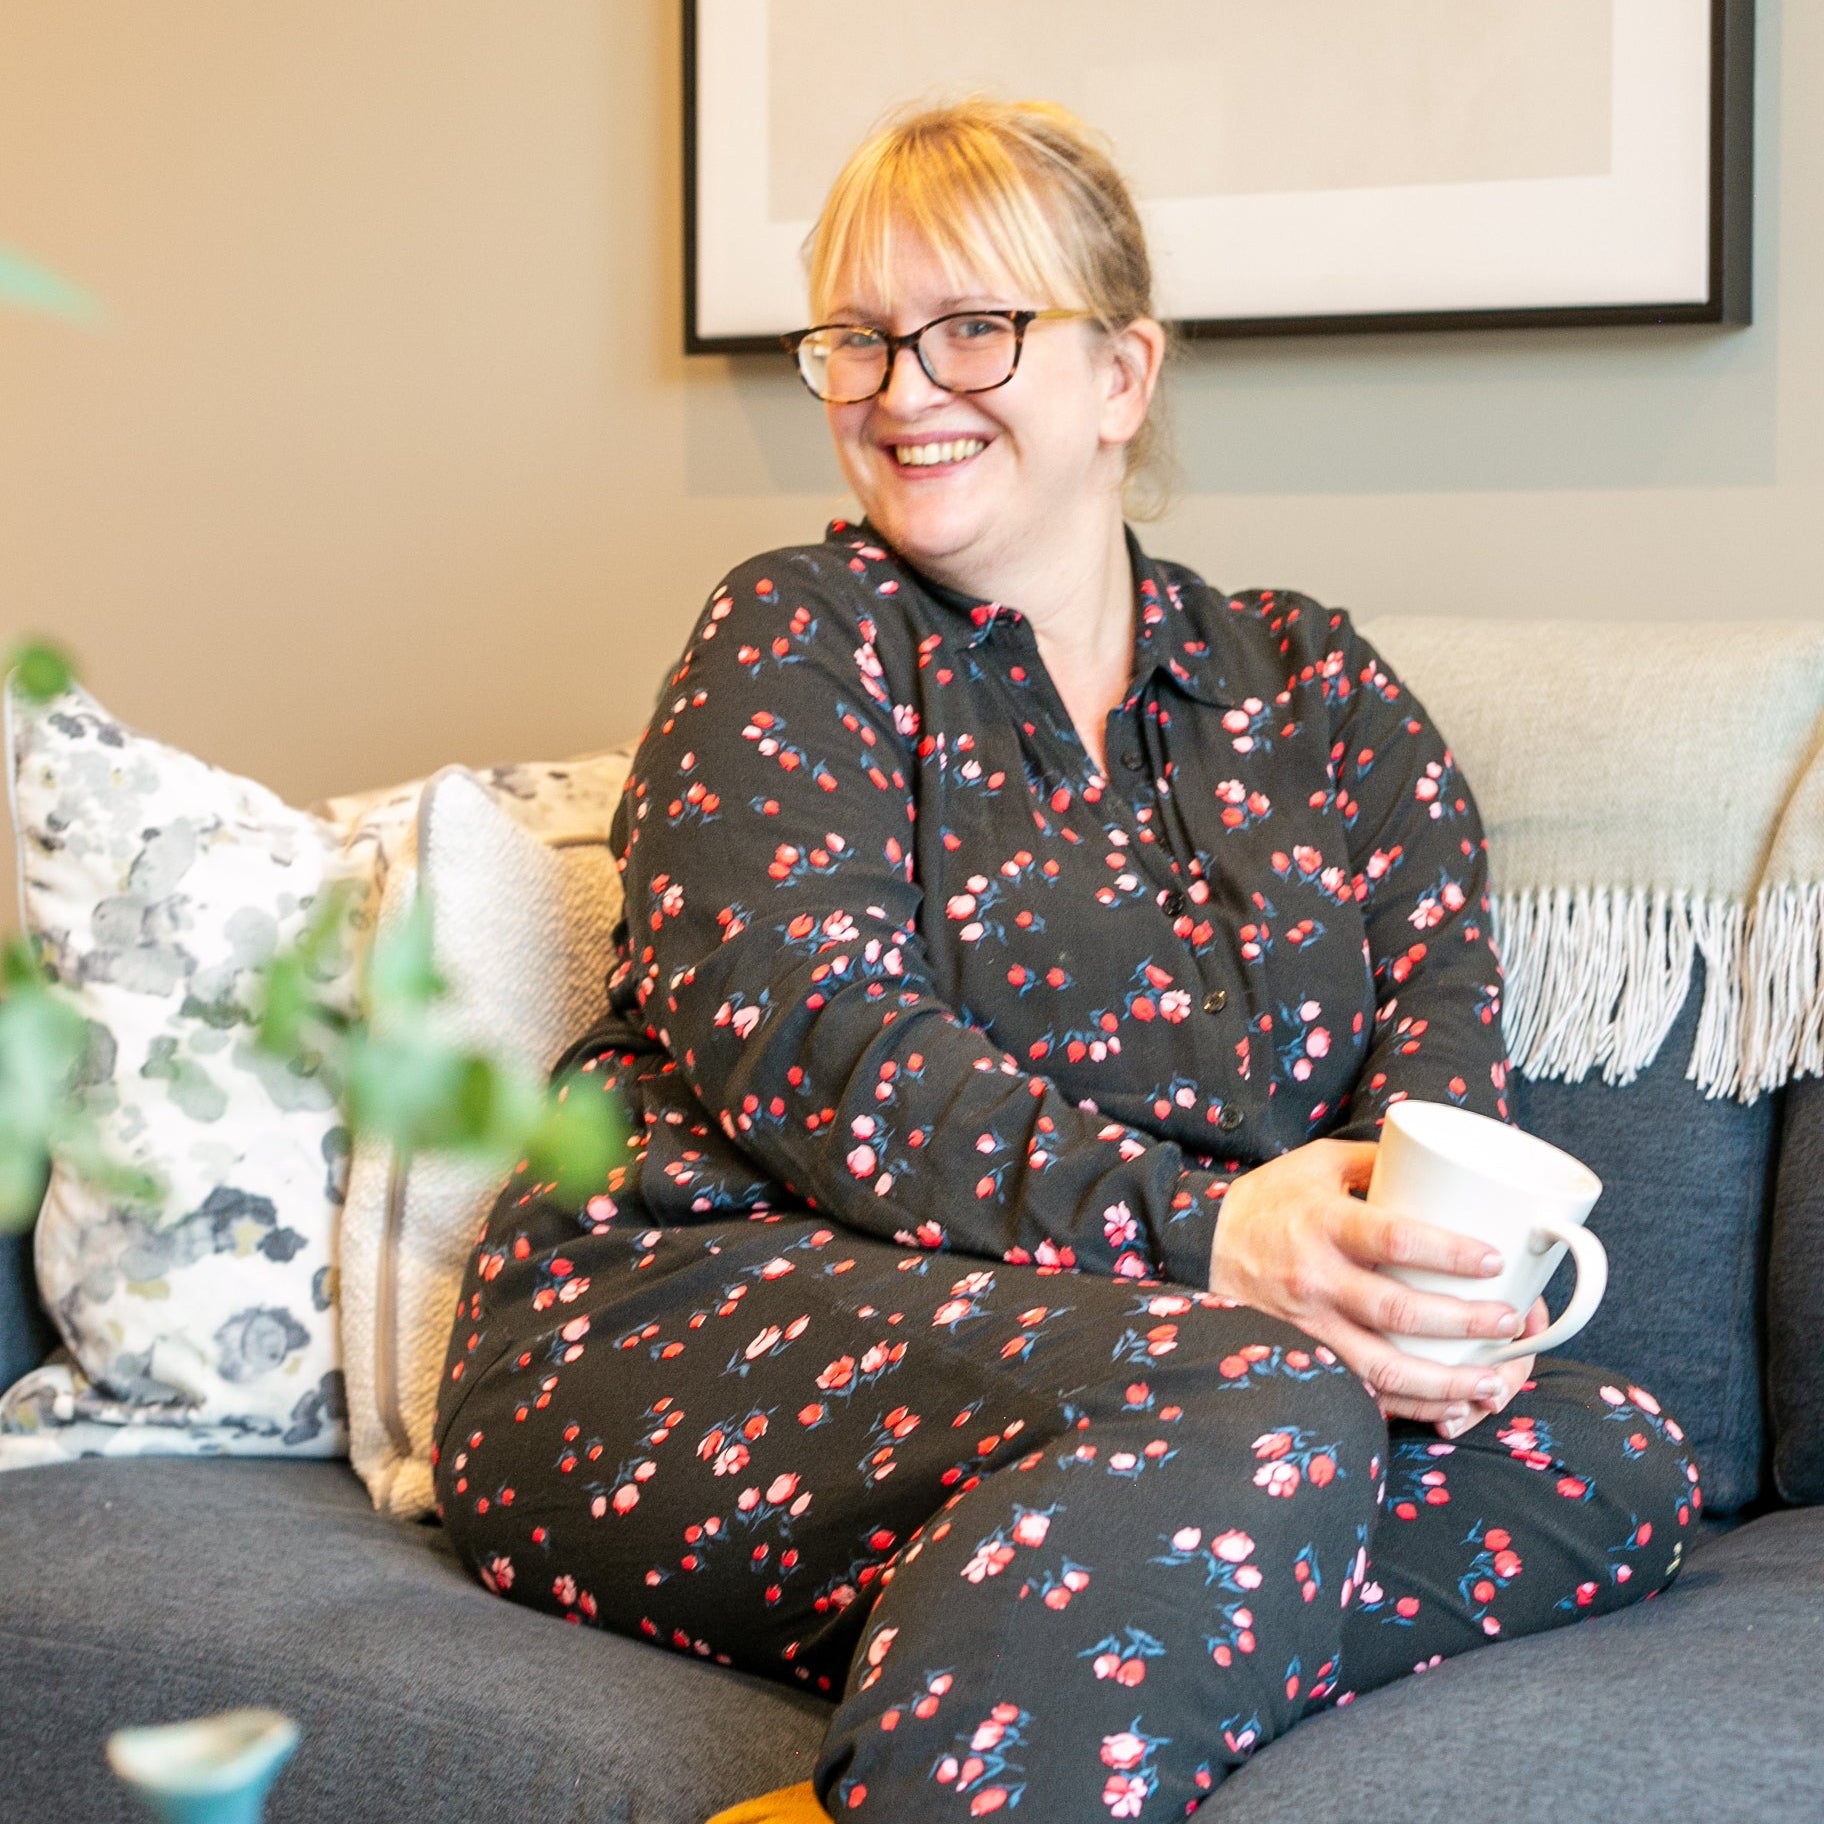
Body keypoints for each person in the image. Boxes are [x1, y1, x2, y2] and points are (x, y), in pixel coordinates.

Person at [434, 100, 1698, 1821]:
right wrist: (1222, 1239)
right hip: (687, 1315)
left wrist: (1419, 1298)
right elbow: (825, 1055)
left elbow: (1442, 1039)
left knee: (1606, 1455)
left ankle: (1000, 1662)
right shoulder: (795, 635)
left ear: (1122, 377)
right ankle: (1092, 1626)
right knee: (1254, 1399)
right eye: (859, 340)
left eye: (974, 328)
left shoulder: (1315, 690)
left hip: (1140, 1380)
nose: (899, 388)